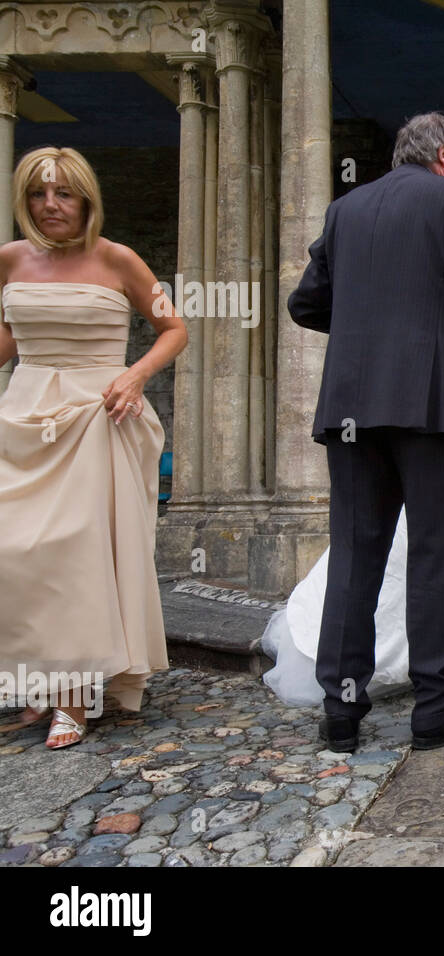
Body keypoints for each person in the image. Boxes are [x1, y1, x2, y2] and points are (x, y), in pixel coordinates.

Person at [287, 112, 444, 754]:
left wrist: (367, 330)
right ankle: (437, 707)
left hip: (349, 408)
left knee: (354, 555)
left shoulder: (345, 209)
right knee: (435, 556)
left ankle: (341, 713)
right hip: (434, 405)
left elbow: (305, 303)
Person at [0, 146, 186, 748]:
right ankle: (37, 679)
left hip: (99, 417)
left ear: (86, 200)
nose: (50, 205)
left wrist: (133, 376)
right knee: (17, 552)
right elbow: (9, 337)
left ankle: (77, 697)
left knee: (76, 553)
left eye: (64, 193)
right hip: (24, 418)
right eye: (38, 192)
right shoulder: (8, 261)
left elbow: (174, 327)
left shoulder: (119, 260)